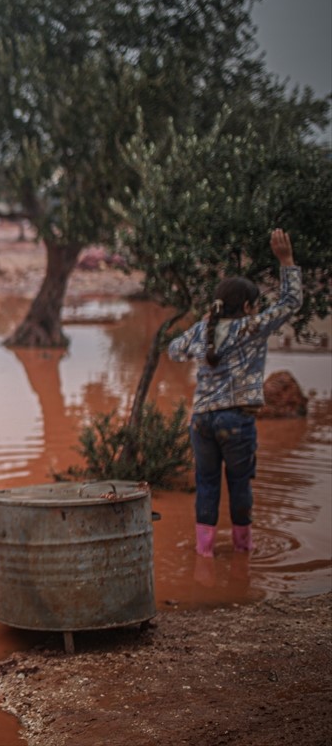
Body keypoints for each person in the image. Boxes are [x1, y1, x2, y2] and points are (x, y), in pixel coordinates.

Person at [168, 229, 302, 557]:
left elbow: (173, 350)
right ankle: (244, 553)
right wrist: (286, 261)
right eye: (255, 306)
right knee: (239, 485)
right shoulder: (251, 327)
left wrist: (201, 326)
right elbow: (291, 302)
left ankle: (204, 555)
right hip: (236, 421)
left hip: (201, 420)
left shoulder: (204, 329)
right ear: (247, 306)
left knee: (207, 485)